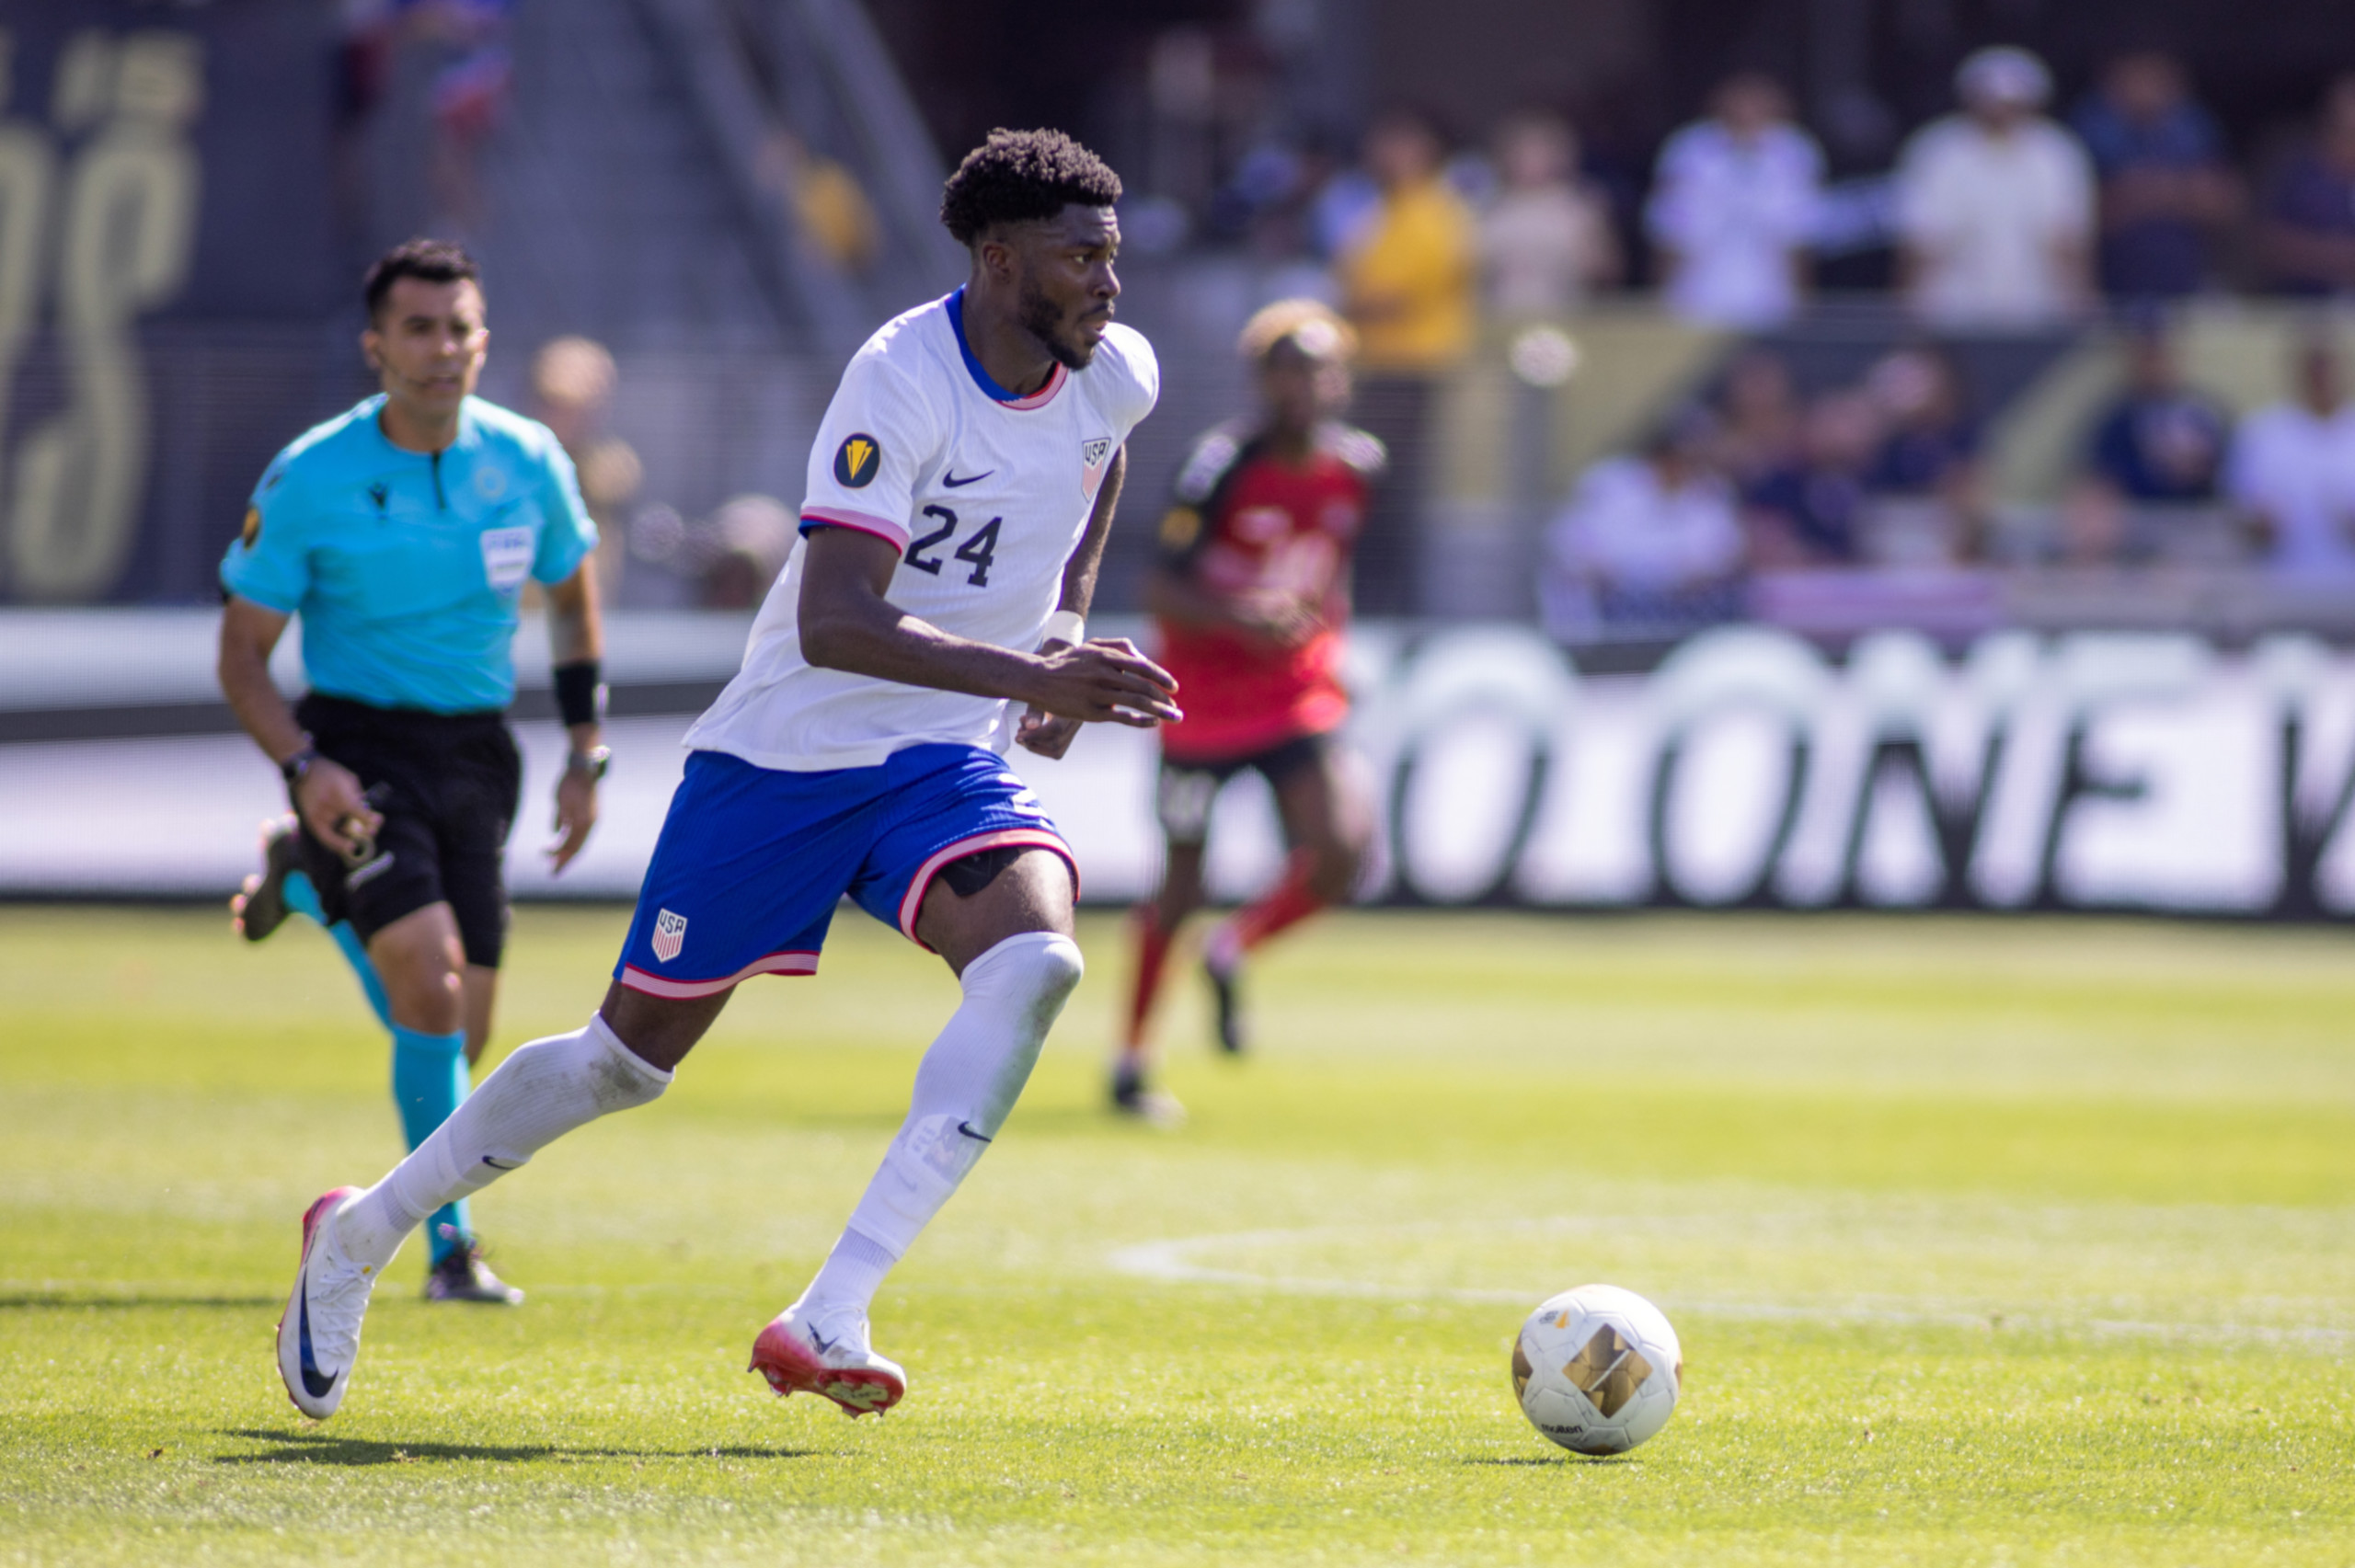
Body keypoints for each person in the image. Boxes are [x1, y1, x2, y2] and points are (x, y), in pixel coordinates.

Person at [270, 129, 1178, 1424]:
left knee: (1036, 962)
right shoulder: (899, 381)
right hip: (786, 759)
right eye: (1082, 257)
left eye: (1114, 256)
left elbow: (1096, 471)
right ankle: (360, 1235)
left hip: (937, 758)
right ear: (996, 257)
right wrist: (1038, 681)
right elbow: (834, 622)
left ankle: (832, 1310)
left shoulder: (1113, 374)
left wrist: (1057, 628)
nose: (1109, 283)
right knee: (623, 1065)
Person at [220, 238, 605, 1307]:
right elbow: (241, 655)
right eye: (421, 329)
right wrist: (305, 765)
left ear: (484, 341)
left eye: (462, 329)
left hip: (476, 753)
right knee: (432, 996)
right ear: (377, 346)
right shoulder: (314, 474)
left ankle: (304, 882)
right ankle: (449, 1248)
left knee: (459, 1029)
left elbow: (573, 600)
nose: (444, 350)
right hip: (357, 747)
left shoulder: (527, 459)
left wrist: (584, 749)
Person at [1116, 300, 1383, 1124]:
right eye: (1288, 368)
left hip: (1293, 696)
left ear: (1343, 376)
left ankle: (1233, 948)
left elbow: (1329, 568)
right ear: (1263, 379)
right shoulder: (1219, 465)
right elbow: (1161, 586)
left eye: (1320, 366)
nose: (1305, 384)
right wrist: (1243, 617)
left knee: (1343, 850)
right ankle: (1131, 1059)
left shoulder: (1356, 468)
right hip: (1199, 707)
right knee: (1182, 883)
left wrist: (1329, 643)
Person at [1333, 107, 1476, 614]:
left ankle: (1397, 610)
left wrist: (1339, 305)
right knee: (1372, 495)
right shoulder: (1387, 209)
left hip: (1410, 371)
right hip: (1379, 367)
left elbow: (1392, 297)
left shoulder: (1433, 211)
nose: (1385, 153)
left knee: (1391, 498)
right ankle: (1376, 604)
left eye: (1398, 141)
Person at [1893, 47, 2095, 329]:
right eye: (1991, 101)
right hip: (1951, 313)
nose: (2000, 113)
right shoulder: (1937, 150)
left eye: (2012, 103)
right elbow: (1920, 243)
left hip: (2038, 312)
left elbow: (2069, 243)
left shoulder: (2057, 153)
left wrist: (2079, 314)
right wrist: (1909, 319)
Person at [1542, 408, 1746, 637]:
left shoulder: (1711, 492)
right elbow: (1570, 540)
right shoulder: (1611, 483)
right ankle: (1586, 658)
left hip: (1682, 604)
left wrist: (1687, 579)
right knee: (1565, 584)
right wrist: (1595, 568)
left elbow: (1721, 556)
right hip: (1612, 595)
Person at [1645, 73, 1822, 328]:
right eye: (1740, 98)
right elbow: (1669, 227)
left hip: (1769, 294)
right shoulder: (1689, 147)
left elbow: (1801, 233)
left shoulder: (1794, 149)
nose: (1747, 107)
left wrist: (1802, 301)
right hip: (1696, 293)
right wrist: (1659, 297)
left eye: (1757, 99)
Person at [2069, 51, 2240, 301]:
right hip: (2112, 286)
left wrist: (2142, 191)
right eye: (2139, 77)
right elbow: (2091, 213)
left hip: (2183, 281)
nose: (2147, 88)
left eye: (2157, 78)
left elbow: (2224, 202)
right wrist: (2179, 193)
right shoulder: (2091, 127)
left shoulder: (2191, 126)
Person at [2224, 334, 2355, 578]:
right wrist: (2260, 527)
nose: (2321, 377)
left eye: (2327, 367)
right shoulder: (2261, 433)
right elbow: (2237, 513)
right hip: (2280, 592)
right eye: (2313, 368)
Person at [1480, 110, 1620, 320]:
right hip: (1499, 317)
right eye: (1522, 152)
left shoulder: (1578, 207)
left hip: (1563, 318)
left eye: (1540, 152)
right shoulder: (1490, 208)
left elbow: (1605, 271)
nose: (1531, 161)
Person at [2261, 76, 2355, 297]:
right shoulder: (2301, 176)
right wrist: (2336, 257)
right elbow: (2269, 246)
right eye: (2347, 132)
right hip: (2307, 307)